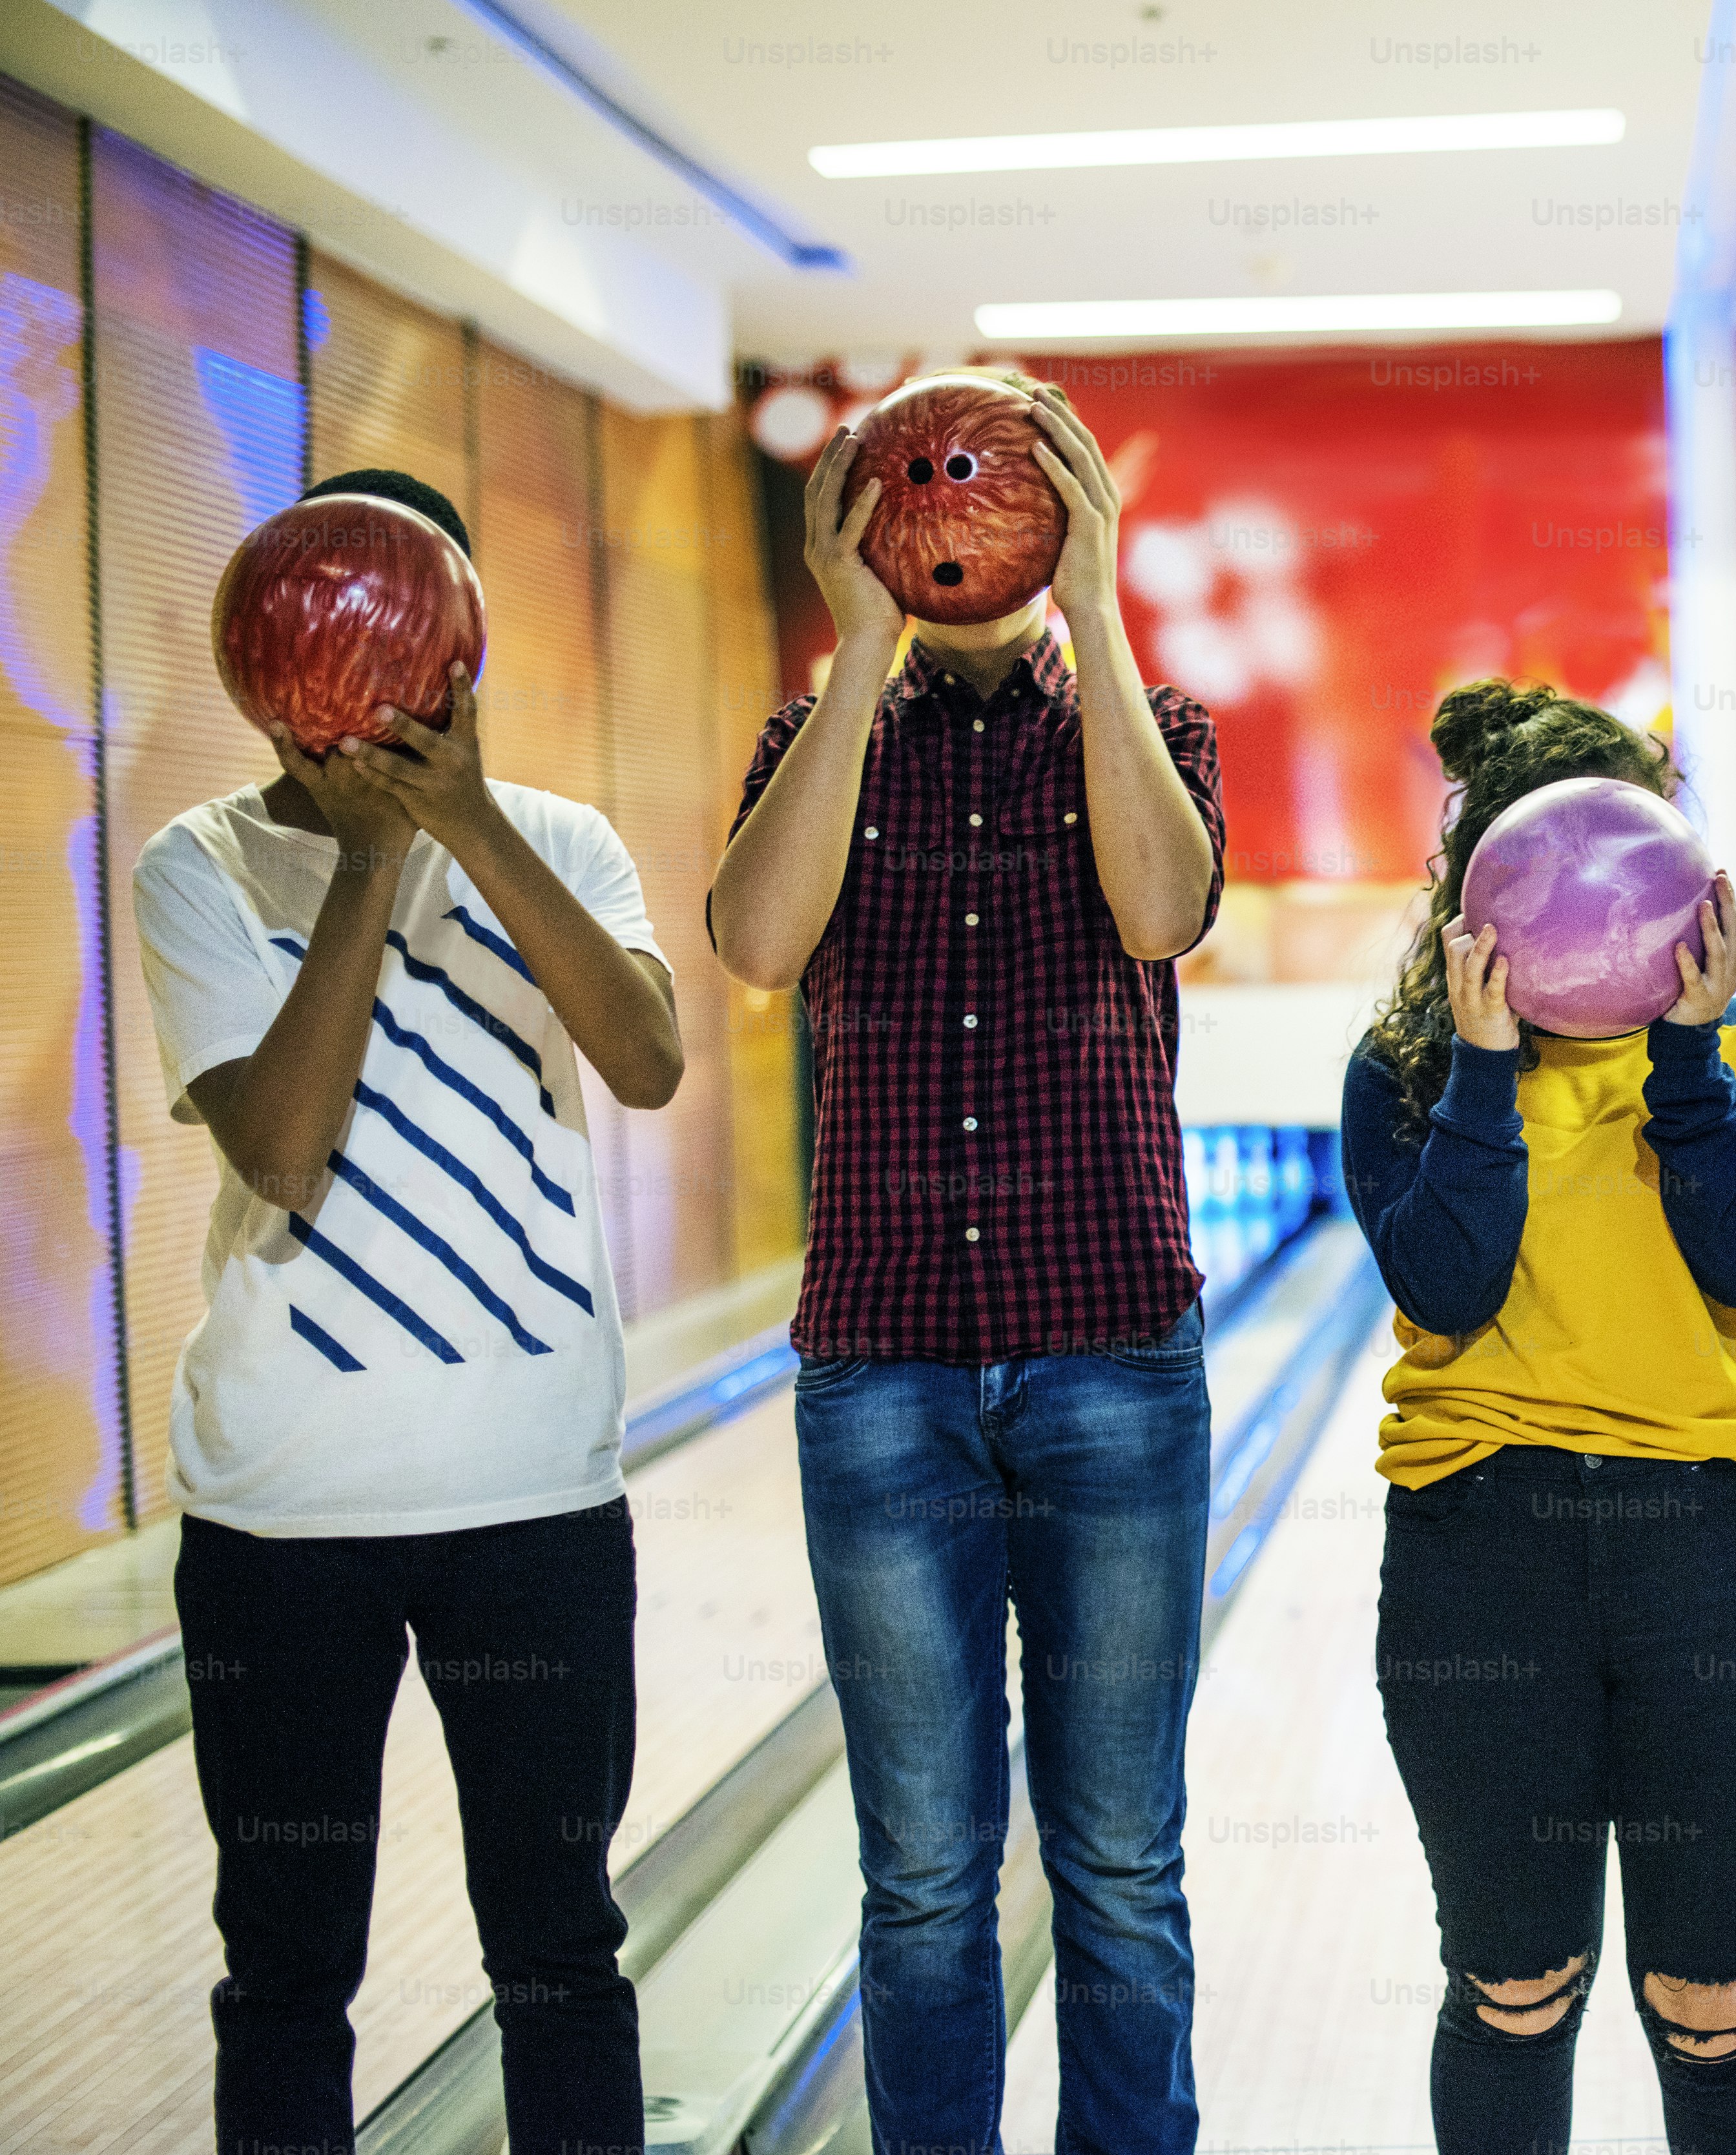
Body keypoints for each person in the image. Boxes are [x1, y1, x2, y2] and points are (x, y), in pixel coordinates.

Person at [707, 371, 1223, 2153]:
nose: (954, 502)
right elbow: (758, 941)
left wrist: (1098, 599)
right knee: (923, 1874)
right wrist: (853, 644)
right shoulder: (812, 740)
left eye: (996, 478)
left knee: (1120, 1861)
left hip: (1111, 1361)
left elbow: (1161, 911)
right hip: (884, 1371)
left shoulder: (1156, 721)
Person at [135, 468, 681, 2155]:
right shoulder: (196, 866)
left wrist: (469, 825)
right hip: (282, 1515)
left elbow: (650, 1061)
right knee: (287, 1969)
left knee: (561, 1955)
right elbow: (286, 1150)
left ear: (460, 651)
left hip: (537, 1505)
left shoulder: (565, 843)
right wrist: (369, 863)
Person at [1340, 681, 1736, 2154]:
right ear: (1481, 893)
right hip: (1483, 1547)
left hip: (1715, 1547)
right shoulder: (1408, 1066)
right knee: (1514, 1985)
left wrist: (1686, 1057)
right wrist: (1487, 1073)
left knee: (1716, 1995)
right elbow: (1449, 1281)